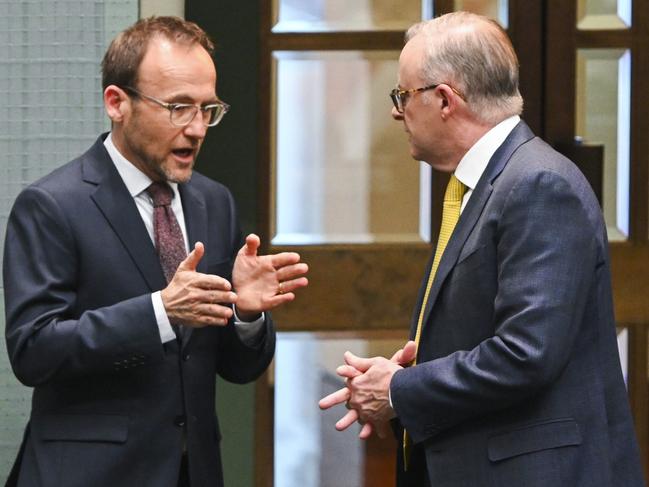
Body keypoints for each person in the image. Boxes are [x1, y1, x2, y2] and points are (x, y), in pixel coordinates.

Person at [319, 11, 644, 487]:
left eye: (402, 95)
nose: (396, 111)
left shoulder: (538, 184)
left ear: (445, 100)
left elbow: (525, 354)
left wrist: (399, 389)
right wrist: (399, 377)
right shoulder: (487, 183)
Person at [3, 16, 308, 487]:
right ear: (117, 103)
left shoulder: (215, 202)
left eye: (208, 109)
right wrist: (159, 312)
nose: (198, 129)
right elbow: (34, 351)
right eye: (178, 107)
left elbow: (238, 368)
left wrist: (246, 316)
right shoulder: (51, 206)